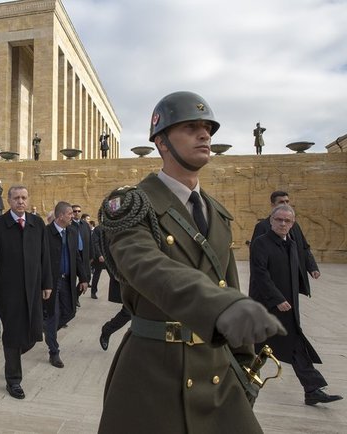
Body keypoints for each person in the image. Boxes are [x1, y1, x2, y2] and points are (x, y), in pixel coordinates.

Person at [98, 91, 285, 433]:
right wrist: (220, 306)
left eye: (207, 128)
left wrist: (244, 359)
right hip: (155, 371)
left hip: (216, 370)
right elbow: (146, 267)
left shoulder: (216, 213)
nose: (205, 135)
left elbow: (228, 282)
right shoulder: (130, 205)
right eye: (190, 127)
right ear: (161, 142)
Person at [249, 204, 342, 405]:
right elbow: (260, 275)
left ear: (293, 223)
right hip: (266, 306)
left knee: (291, 346)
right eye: (279, 220)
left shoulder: (291, 244)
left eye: (287, 221)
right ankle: (239, 383)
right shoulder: (260, 243)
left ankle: (312, 389)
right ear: (271, 221)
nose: (283, 223)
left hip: (288, 307)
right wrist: (277, 299)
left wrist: (310, 274)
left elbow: (295, 270)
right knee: (257, 346)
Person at [0, 185, 53, 400]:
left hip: (32, 288)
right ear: (9, 200)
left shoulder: (37, 223)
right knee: (12, 333)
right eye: (16, 198)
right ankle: (14, 380)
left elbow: (45, 256)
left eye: (24, 198)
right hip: (7, 291)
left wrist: (47, 283)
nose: (20, 201)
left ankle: (11, 356)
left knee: (33, 332)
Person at [43, 201, 88, 368]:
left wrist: (83, 278)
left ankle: (48, 330)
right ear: (60, 216)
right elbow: (40, 261)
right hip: (51, 283)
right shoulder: (45, 233)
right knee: (53, 315)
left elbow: (76, 256)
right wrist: (43, 283)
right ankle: (54, 352)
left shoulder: (72, 232)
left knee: (70, 312)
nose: (73, 216)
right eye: (70, 214)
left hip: (67, 280)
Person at [251, 191, 320, 295]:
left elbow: (304, 247)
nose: (285, 204)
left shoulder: (294, 225)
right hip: (274, 279)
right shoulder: (262, 227)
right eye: (281, 202)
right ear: (273, 205)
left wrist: (312, 267)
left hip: (292, 277)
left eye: (287, 201)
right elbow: (257, 258)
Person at [71, 204, 91, 306]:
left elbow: (90, 241)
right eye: (74, 211)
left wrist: (92, 256)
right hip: (74, 256)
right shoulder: (69, 225)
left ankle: (75, 296)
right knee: (72, 279)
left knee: (86, 278)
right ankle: (72, 299)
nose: (77, 213)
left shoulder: (85, 225)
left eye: (79, 211)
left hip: (85, 256)